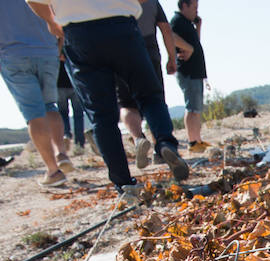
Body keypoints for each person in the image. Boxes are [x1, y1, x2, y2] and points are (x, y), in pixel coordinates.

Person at [27, 0, 190, 198]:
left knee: (102, 116)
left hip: (78, 33)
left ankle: (124, 183)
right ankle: (165, 143)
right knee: (149, 95)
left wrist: (52, 22)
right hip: (121, 26)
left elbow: (32, 0)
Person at [0, 0, 72, 187]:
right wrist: (58, 46)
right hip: (47, 52)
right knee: (50, 105)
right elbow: (60, 14)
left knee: (34, 114)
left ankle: (53, 171)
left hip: (13, 54)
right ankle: (61, 152)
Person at [117, 1, 192, 169]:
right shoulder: (151, 2)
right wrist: (172, 58)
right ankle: (163, 145)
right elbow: (165, 29)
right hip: (148, 51)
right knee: (153, 99)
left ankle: (138, 138)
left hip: (119, 49)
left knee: (127, 103)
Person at [171, 0, 209, 153]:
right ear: (184, 6)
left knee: (197, 107)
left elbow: (196, 44)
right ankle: (193, 142)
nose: (196, 11)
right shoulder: (177, 21)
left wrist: (198, 27)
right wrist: (189, 48)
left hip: (196, 72)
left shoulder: (187, 24)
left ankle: (197, 139)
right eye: (194, 7)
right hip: (188, 71)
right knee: (192, 107)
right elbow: (170, 36)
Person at [57, 54, 85, 154]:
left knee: (63, 113)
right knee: (78, 115)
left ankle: (66, 135)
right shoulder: (71, 44)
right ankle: (79, 144)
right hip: (75, 84)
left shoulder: (54, 47)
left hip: (59, 85)